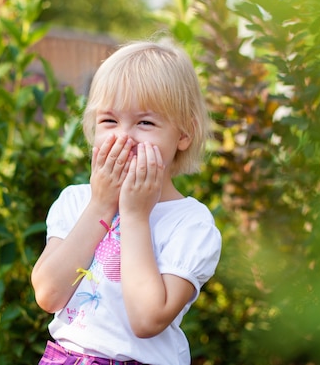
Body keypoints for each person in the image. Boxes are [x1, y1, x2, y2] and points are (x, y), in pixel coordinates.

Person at [31, 39, 222, 365]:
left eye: (145, 122)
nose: (124, 137)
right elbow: (49, 294)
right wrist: (101, 205)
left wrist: (134, 215)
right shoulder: (76, 202)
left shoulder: (190, 223)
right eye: (109, 121)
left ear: (183, 134)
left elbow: (147, 319)